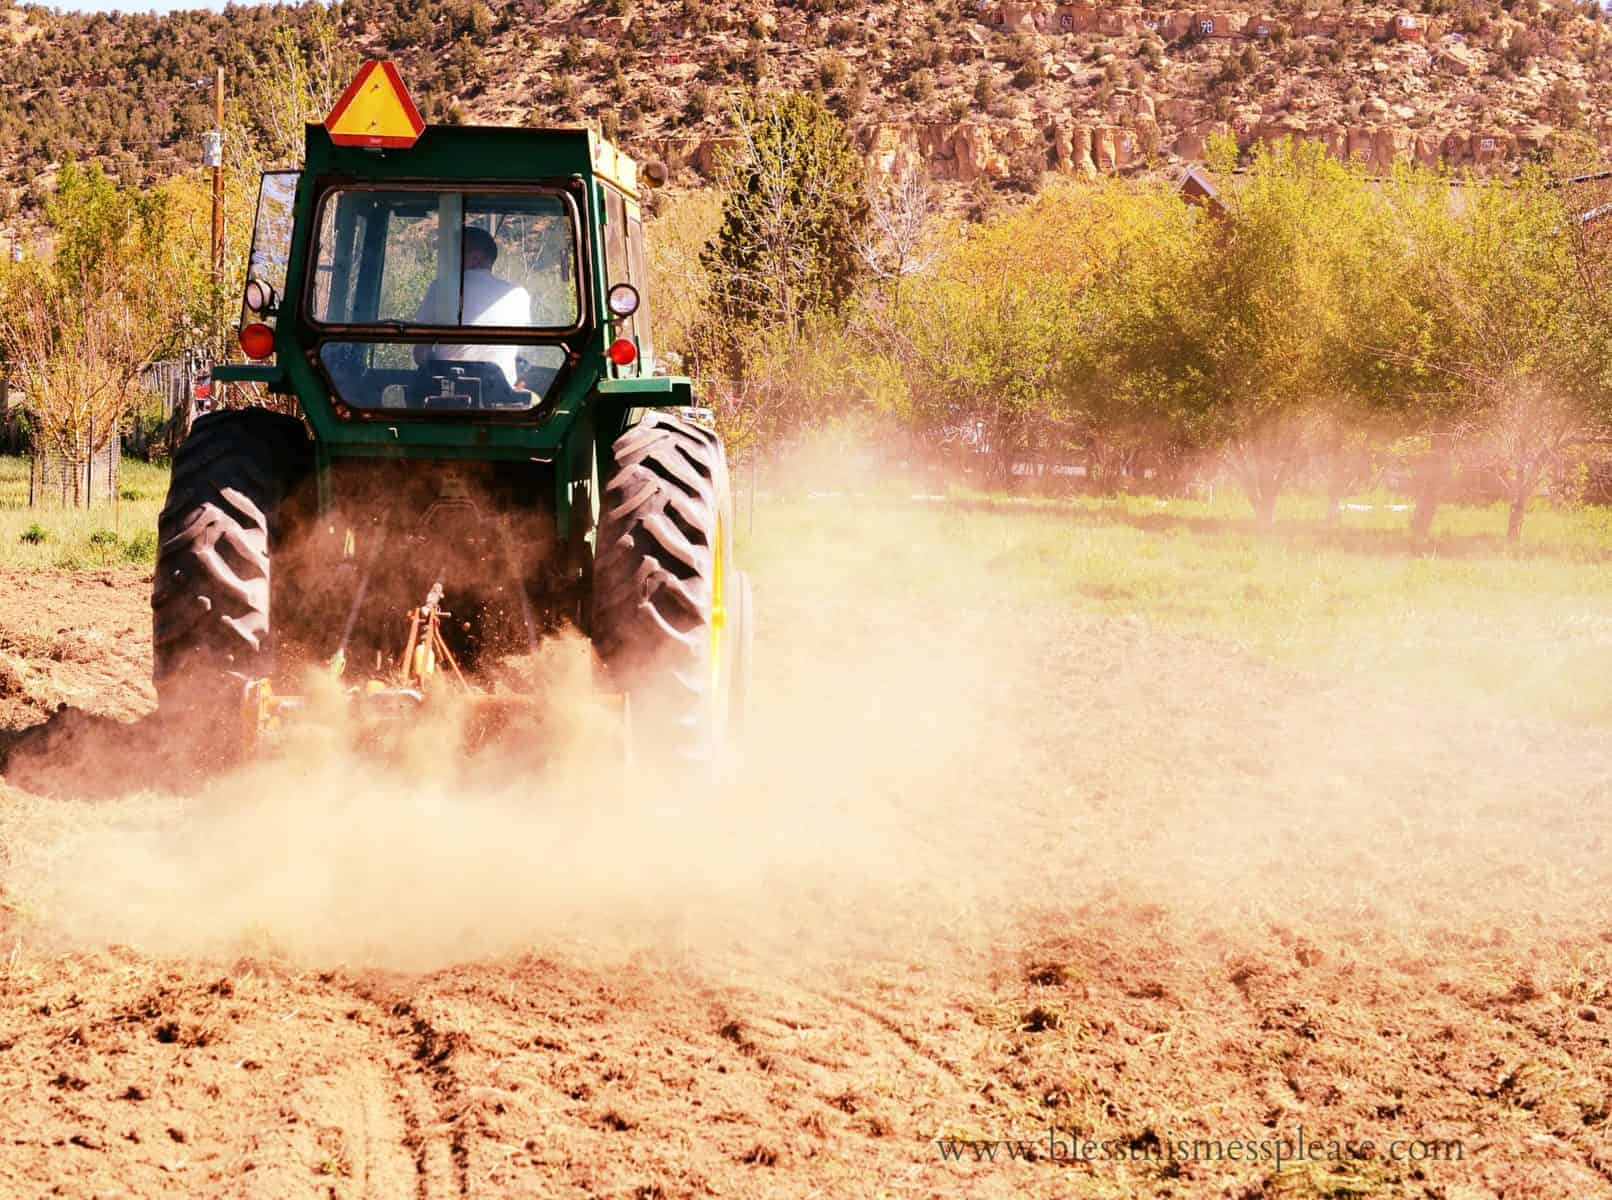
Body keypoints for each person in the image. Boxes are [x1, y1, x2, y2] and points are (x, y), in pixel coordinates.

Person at [414, 226, 531, 389]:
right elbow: (520, 353)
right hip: (501, 397)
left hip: (446, 392)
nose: (449, 261)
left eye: (455, 255)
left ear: (476, 257)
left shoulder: (440, 287)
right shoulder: (519, 295)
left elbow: (420, 354)